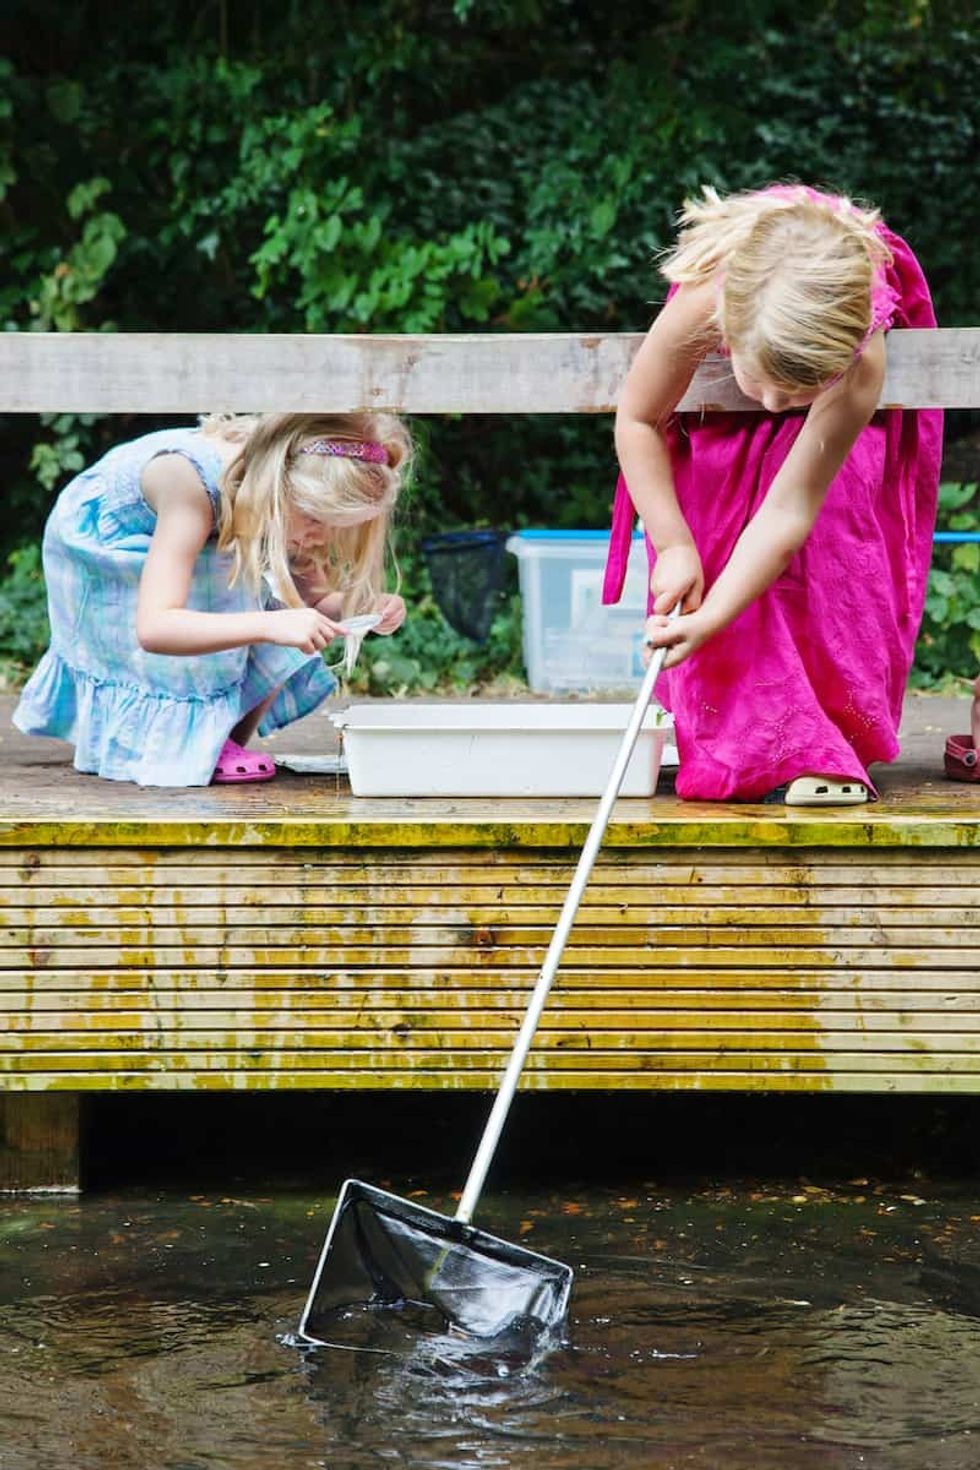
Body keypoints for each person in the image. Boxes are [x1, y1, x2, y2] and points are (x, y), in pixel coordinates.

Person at [605, 182, 943, 804]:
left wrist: (713, 619)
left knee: (835, 536)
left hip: (829, 440)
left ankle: (822, 744)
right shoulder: (708, 301)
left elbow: (790, 508)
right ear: (728, 330)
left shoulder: (859, 357)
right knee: (712, 527)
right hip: (710, 427)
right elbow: (639, 419)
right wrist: (674, 544)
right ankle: (743, 744)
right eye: (759, 383)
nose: (771, 403)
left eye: (793, 394)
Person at [13, 411, 412, 786]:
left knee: (280, 619)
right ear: (279, 487)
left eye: (337, 526)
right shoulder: (189, 483)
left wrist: (359, 608)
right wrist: (270, 624)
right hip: (109, 541)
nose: (322, 537)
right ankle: (188, 745)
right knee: (241, 603)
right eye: (315, 519)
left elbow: (311, 602)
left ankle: (220, 742)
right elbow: (156, 627)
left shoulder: (289, 494)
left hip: (194, 532)